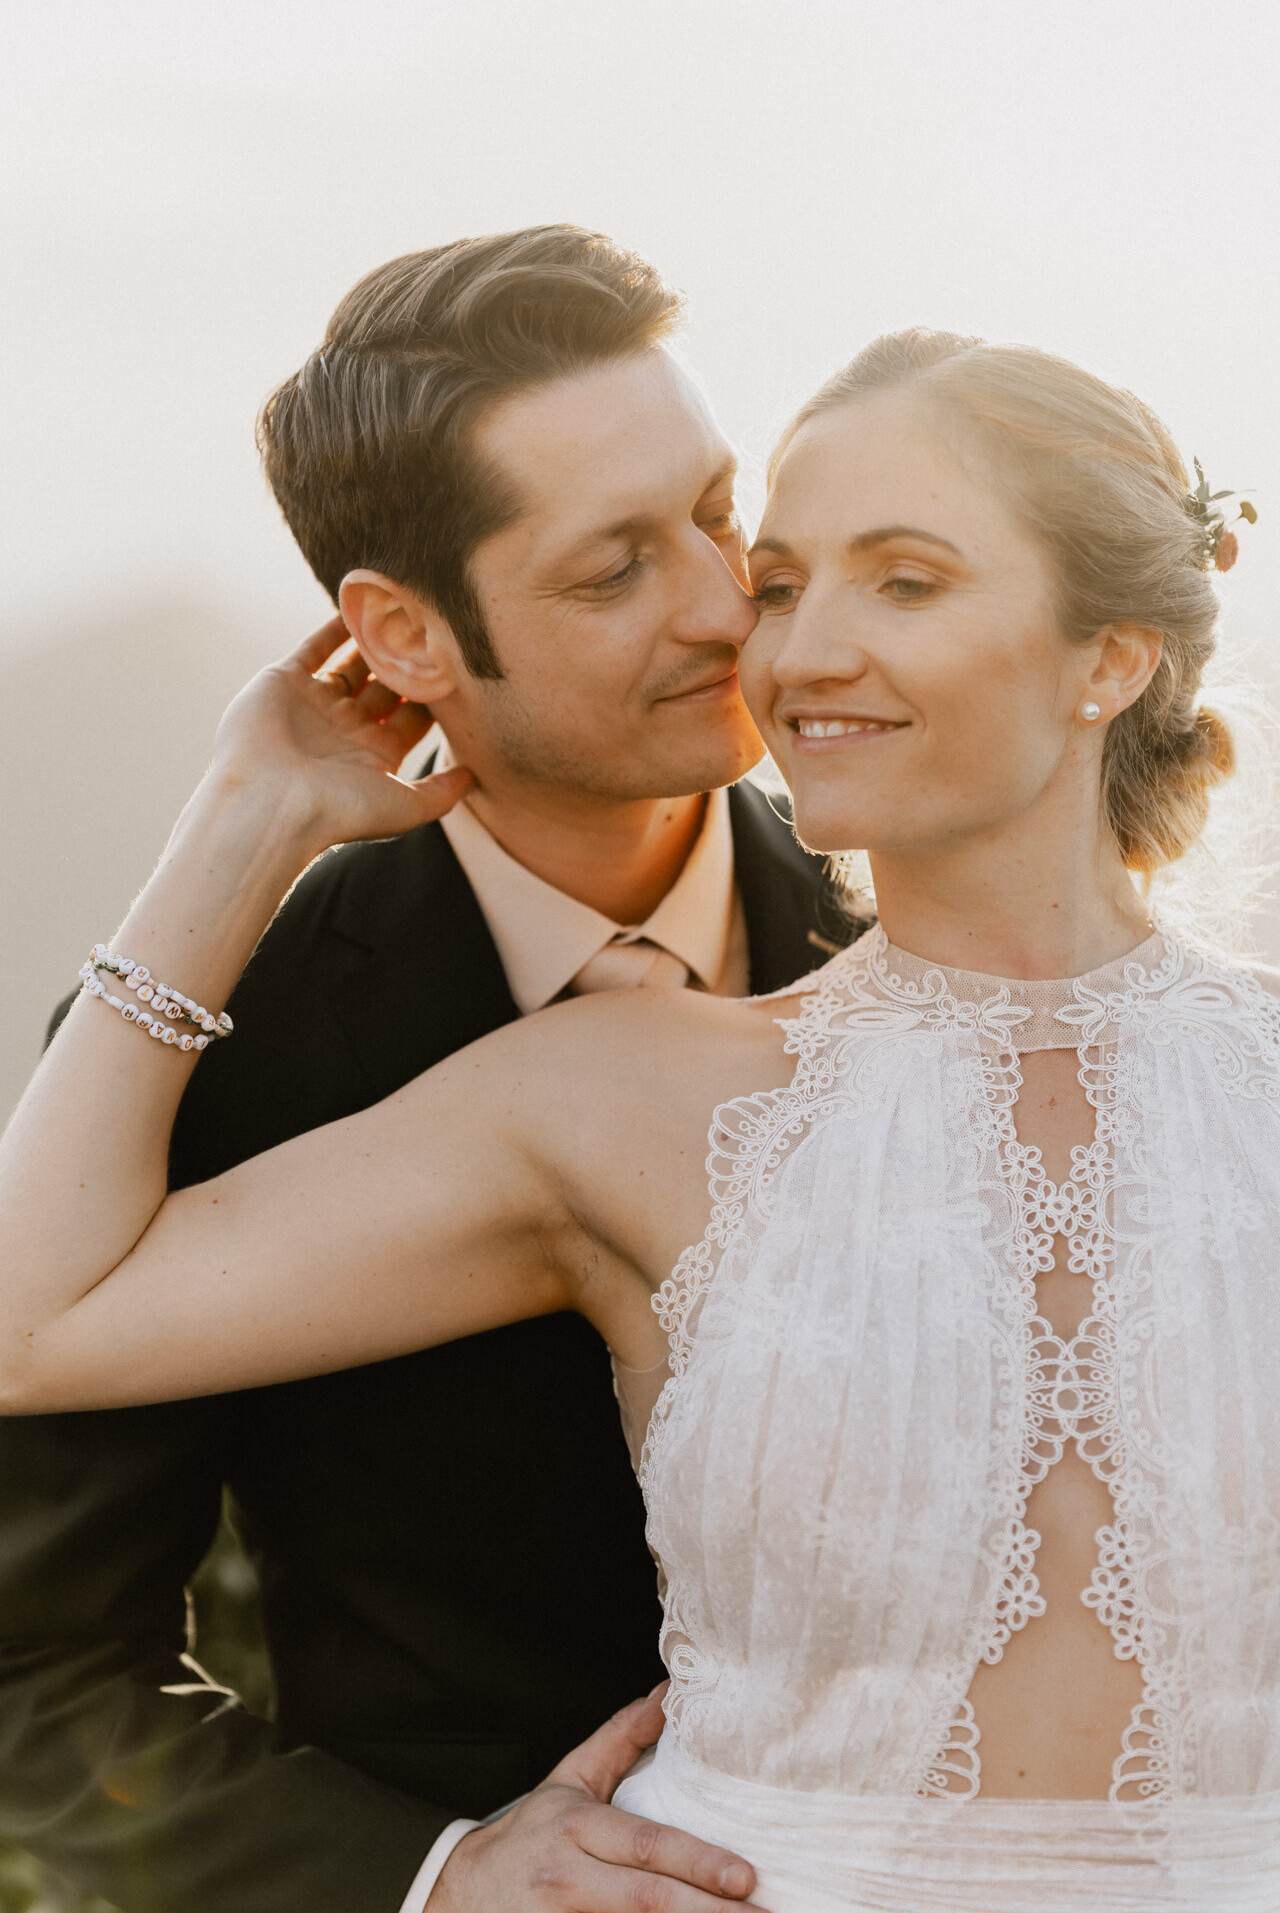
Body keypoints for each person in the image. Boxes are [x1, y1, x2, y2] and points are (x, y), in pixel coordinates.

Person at [1, 324, 1273, 1913]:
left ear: (1114, 655)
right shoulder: (608, 1090)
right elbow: (32, 1340)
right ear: (405, 633)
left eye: (902, 578)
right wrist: (240, 819)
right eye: (790, 580)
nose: (767, 640)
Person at [0, 227, 853, 1913]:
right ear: (399, 633)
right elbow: (32, 1679)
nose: (716, 600)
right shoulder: (195, 1058)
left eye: (711, 510)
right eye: (612, 571)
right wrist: (435, 1881)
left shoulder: (929, 950)